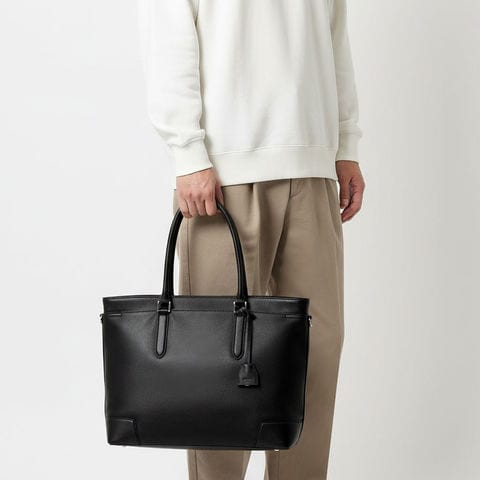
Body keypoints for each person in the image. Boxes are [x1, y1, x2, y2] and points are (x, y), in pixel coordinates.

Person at [138, 1, 365, 478]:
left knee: (317, 348)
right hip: (224, 173)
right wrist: (188, 152)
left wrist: (345, 144)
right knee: (219, 359)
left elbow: (334, 35)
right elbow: (169, 35)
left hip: (313, 164)